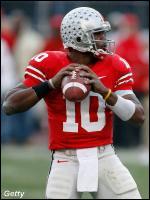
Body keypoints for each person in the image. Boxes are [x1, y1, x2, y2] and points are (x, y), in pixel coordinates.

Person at [2, 7, 145, 199]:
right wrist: (51, 84)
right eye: (98, 33)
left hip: (104, 155)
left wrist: (105, 92)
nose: (104, 37)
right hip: (65, 158)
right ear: (79, 38)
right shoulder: (48, 62)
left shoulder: (115, 64)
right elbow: (10, 105)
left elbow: (138, 116)